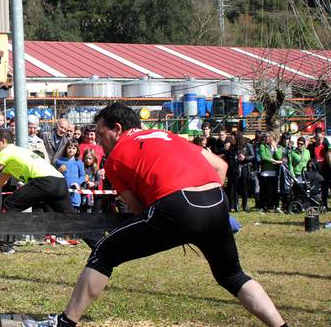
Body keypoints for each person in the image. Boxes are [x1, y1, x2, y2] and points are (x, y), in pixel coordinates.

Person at [52, 102, 286, 327]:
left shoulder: (114, 160)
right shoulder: (168, 135)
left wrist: (179, 224)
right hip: (215, 202)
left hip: (176, 206)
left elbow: (139, 211)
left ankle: (65, 323)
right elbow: (220, 167)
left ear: (117, 129)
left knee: (104, 252)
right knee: (233, 276)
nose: (100, 142)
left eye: (102, 135)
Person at [0, 129, 73, 213]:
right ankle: (90, 238)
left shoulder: (6, 151)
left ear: (3, 141)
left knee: (8, 206)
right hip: (60, 181)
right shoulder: (17, 152)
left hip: (44, 181)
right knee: (72, 219)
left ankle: (6, 240)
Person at [54, 138, 85, 209]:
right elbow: (54, 175)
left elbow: (82, 176)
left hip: (74, 193)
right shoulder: (59, 161)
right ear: (66, 149)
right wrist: (59, 170)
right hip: (62, 192)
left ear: (77, 150)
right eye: (69, 148)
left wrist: (78, 183)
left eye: (74, 148)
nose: (71, 150)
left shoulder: (79, 162)